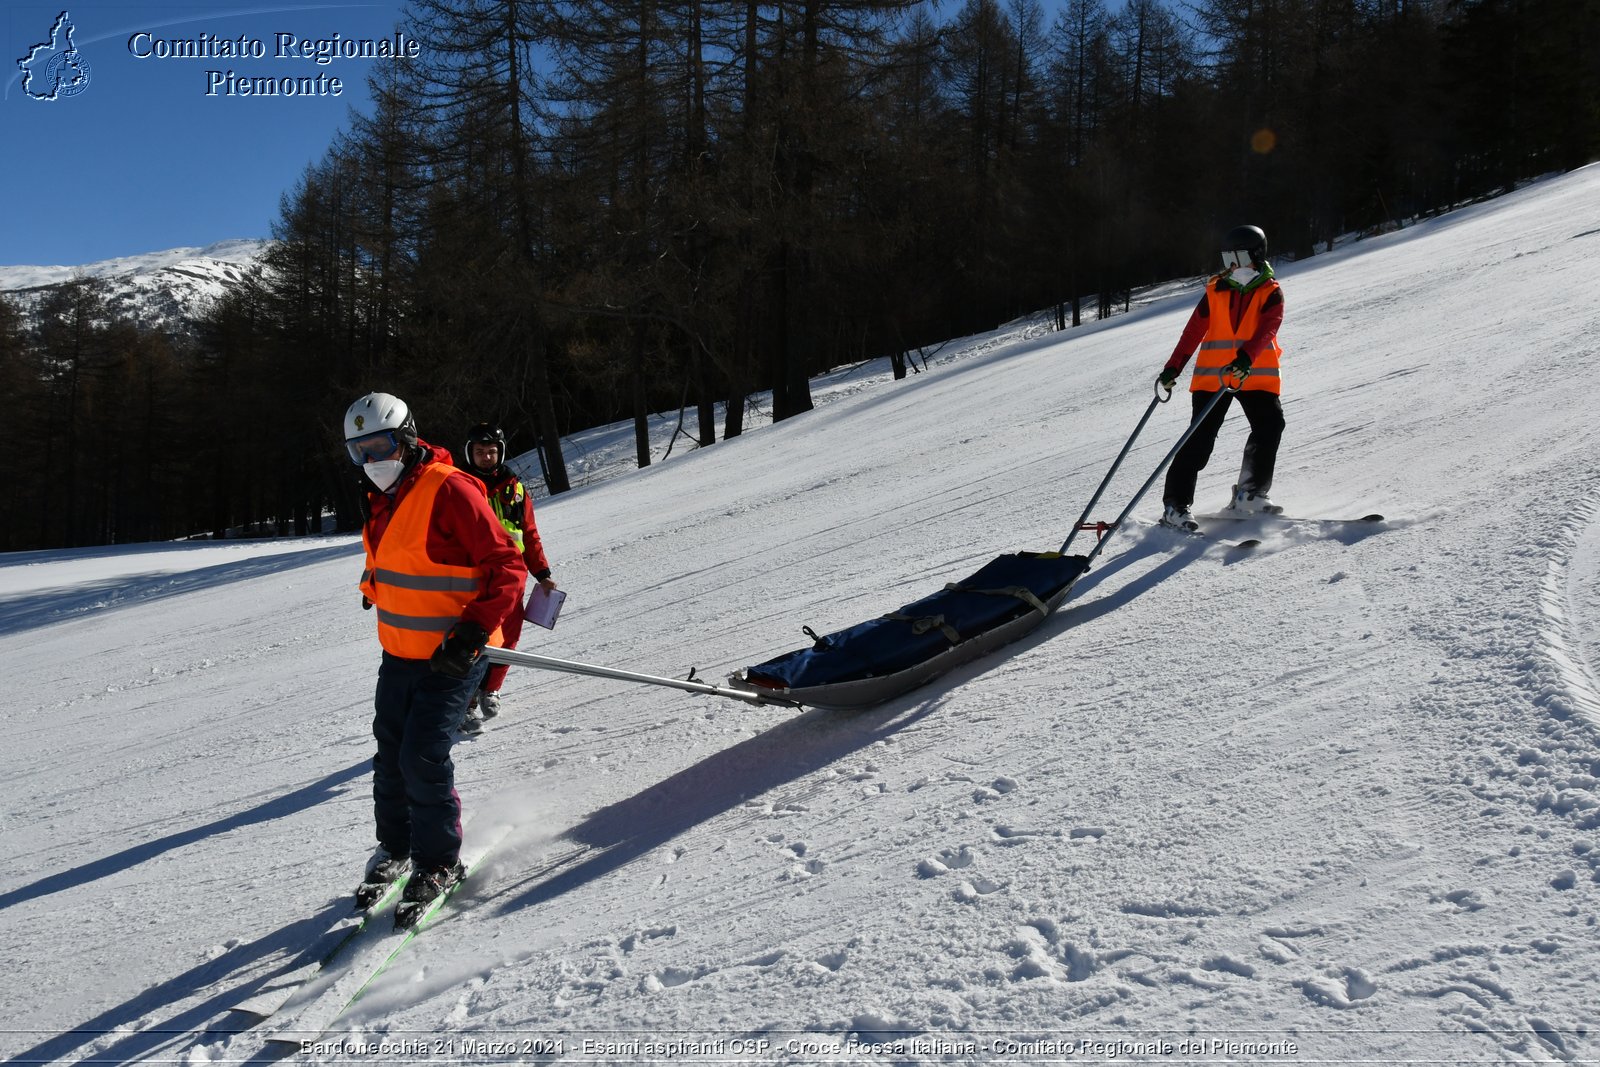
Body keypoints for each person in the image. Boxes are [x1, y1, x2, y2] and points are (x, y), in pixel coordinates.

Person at [343, 392, 528, 915]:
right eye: (359, 452)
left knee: (422, 756)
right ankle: (398, 847)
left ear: (405, 438)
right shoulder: (380, 496)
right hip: (400, 652)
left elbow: (507, 568)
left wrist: (471, 633)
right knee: (390, 754)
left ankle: (440, 860)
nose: (371, 461)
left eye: (379, 446)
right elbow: (403, 562)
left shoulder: (451, 489)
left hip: (454, 655)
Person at [1156, 224, 1287, 530]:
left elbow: (1269, 327)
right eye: (1228, 257)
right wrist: (1174, 366)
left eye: (1238, 257)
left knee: (1270, 426)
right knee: (1198, 441)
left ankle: (1250, 493)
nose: (1232, 265)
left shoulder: (1271, 292)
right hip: (1214, 377)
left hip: (1252, 375)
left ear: (1255, 255)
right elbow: (1193, 332)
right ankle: (1175, 505)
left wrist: (1245, 358)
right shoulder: (1216, 290)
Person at [458, 422, 558, 731]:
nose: (486, 458)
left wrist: (541, 572)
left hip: (511, 579)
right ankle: (466, 702)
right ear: (469, 454)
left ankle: (491, 690)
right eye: (479, 452)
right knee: (474, 638)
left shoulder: (515, 489)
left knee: (509, 639)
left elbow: (529, 534)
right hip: (473, 578)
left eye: (491, 452)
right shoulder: (460, 487)